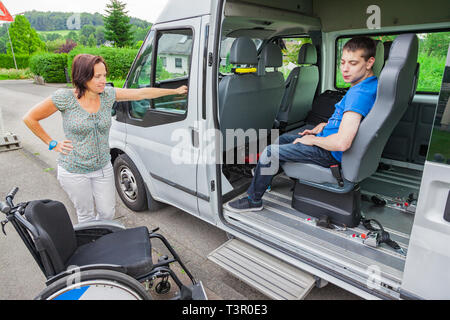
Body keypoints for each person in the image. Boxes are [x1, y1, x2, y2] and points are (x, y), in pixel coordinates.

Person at [23, 54, 188, 223]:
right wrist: (52, 143)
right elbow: (30, 118)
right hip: (74, 170)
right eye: (97, 77)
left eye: (104, 75)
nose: (103, 80)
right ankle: (94, 243)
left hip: (102, 167)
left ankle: (102, 234)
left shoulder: (108, 95)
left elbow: (140, 93)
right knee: (85, 215)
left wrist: (174, 91)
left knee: (107, 213)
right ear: (82, 77)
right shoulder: (65, 98)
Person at [227, 36, 378, 213]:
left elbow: (342, 143)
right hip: (328, 140)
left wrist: (313, 140)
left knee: (269, 152)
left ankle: (254, 200)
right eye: (343, 62)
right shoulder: (368, 84)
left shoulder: (359, 94)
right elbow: (348, 121)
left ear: (369, 62)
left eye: (353, 63)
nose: (345, 69)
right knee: (284, 138)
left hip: (330, 153)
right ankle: (264, 177)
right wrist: (324, 125)